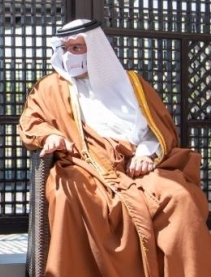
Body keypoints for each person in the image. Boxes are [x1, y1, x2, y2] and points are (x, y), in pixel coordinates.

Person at [18, 19, 211, 277]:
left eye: (76, 48)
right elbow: (32, 121)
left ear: (95, 50)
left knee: (181, 198)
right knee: (68, 195)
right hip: (84, 165)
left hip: (137, 167)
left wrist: (146, 153)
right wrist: (50, 135)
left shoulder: (133, 85)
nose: (68, 55)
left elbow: (159, 129)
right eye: (64, 48)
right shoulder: (51, 87)